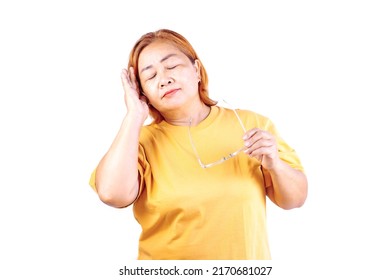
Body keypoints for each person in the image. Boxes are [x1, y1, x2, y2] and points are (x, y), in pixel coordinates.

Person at [89, 29, 308, 260]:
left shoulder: (251, 124)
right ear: (143, 93)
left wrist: (275, 165)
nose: (164, 79)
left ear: (197, 70)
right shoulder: (138, 141)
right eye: (150, 76)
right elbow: (112, 194)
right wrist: (134, 115)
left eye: (172, 66)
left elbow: (295, 199)